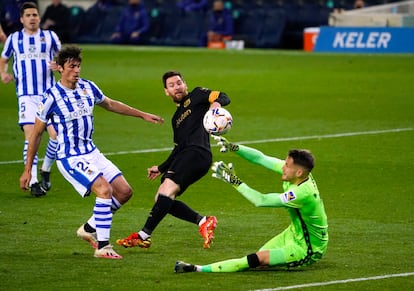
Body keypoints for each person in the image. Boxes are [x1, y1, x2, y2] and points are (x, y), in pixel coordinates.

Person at [19, 45, 165, 259]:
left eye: (78, 66)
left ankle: (88, 229)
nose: (76, 70)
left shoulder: (88, 87)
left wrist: (142, 114)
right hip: (70, 156)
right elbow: (37, 134)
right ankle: (103, 247)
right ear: (60, 68)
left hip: (91, 151)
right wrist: (27, 170)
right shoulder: (51, 97)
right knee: (104, 190)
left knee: (124, 192)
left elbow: (110, 104)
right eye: (71, 66)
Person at [175, 136, 328, 272]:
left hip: (308, 248)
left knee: (255, 259)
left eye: (287, 165)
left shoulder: (302, 194)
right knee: (257, 263)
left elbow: (261, 200)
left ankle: (198, 269)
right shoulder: (298, 175)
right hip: (293, 233)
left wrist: (234, 181)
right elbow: (261, 158)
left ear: (299, 172)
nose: (282, 167)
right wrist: (234, 147)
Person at [116, 71, 231, 250]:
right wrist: (161, 168)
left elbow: (223, 96)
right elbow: (178, 147)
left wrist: (214, 107)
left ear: (185, 84)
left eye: (179, 83)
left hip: (197, 153)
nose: (176, 87)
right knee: (161, 199)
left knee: (165, 193)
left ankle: (143, 235)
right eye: (172, 85)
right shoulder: (176, 119)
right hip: (186, 156)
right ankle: (203, 221)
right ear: (166, 91)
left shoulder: (198, 94)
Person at [0, 1, 61, 197]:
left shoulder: (50, 37)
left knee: (56, 137)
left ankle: (46, 169)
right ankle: (33, 179)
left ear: (39, 17)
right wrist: (3, 73)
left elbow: (63, 58)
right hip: (26, 95)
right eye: (28, 15)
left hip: (49, 95)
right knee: (31, 136)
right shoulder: (14, 39)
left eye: (35, 15)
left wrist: (58, 65)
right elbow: (4, 59)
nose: (32, 18)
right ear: (21, 19)